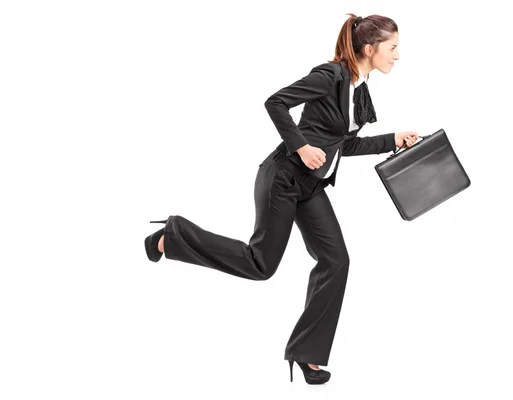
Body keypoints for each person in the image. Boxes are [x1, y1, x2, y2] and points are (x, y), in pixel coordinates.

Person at [144, 13, 419, 385]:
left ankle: (306, 354)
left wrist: (393, 139)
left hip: (309, 186)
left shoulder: (358, 86)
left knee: (336, 261)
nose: (397, 55)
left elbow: (343, 143)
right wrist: (302, 147)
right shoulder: (330, 75)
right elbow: (275, 102)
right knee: (261, 264)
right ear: (370, 49)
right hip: (283, 178)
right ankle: (174, 236)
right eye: (393, 47)